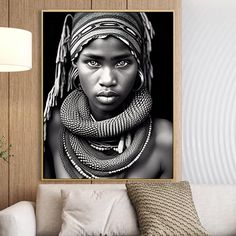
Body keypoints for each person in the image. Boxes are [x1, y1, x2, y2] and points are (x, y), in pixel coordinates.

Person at [43, 12, 172, 179]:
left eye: (122, 62)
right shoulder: (53, 128)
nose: (108, 80)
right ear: (75, 66)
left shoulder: (164, 139)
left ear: (138, 67)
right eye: (93, 62)